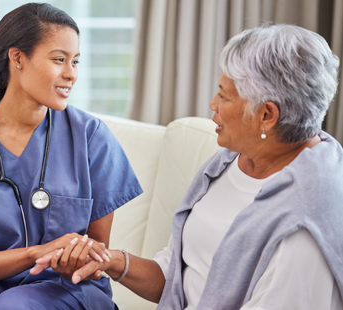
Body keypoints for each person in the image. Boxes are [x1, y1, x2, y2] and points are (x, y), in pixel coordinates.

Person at [33, 24, 343, 309]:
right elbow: (176, 279)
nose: (213, 104)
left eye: (225, 96)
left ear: (267, 115)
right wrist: (110, 261)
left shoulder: (305, 224)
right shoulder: (229, 162)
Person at [0, 3, 142, 309]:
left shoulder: (90, 137)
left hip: (63, 288)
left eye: (75, 61)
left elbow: (98, 251)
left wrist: (78, 256)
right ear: (17, 58)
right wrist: (35, 253)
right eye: (59, 60)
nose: (71, 74)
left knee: (16, 305)